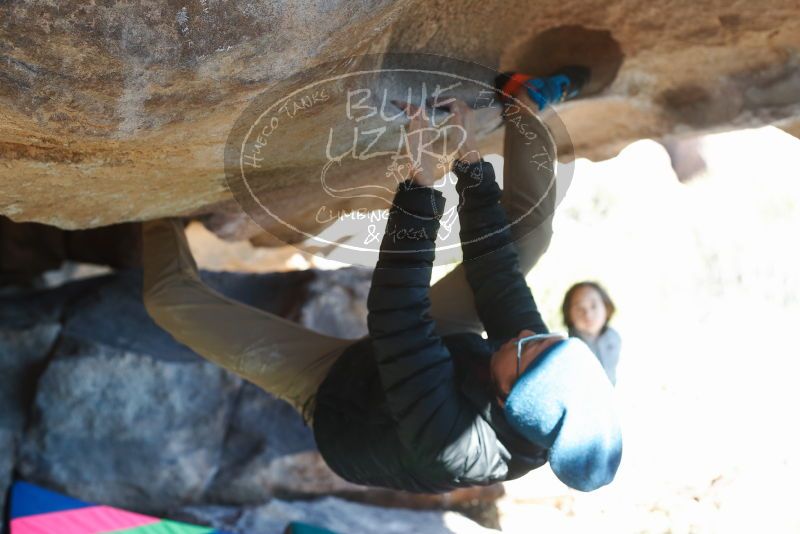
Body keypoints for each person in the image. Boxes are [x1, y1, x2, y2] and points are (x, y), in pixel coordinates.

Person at [142, 73, 621, 494]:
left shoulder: (453, 444)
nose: (521, 334)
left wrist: (420, 182)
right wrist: (470, 161)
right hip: (442, 351)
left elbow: (398, 312)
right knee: (528, 243)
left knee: (168, 300)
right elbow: (497, 273)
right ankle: (524, 104)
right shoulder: (535, 362)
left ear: (505, 398)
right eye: (542, 338)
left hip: (338, 394)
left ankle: (152, 205)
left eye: (524, 350)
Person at [562, 281, 622, 386]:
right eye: (579, 308)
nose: (588, 314)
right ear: (568, 314)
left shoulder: (615, 338)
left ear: (606, 307)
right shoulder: (565, 349)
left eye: (593, 306)